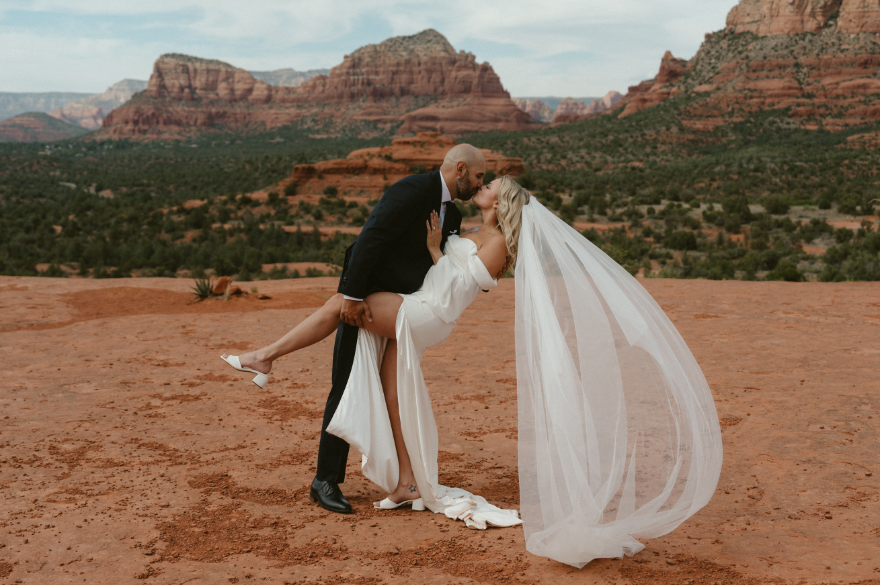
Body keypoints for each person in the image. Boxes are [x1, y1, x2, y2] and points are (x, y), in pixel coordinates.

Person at [224, 172, 724, 568]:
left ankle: (265, 355)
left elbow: (466, 284)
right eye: (483, 181)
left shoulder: (500, 242)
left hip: (425, 314)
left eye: (492, 186)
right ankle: (406, 483)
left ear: (502, 204)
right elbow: (454, 273)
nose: (484, 187)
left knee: (341, 303)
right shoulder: (478, 230)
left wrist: (438, 250)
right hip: (423, 308)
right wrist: (444, 246)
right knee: (393, 389)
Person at [223, 143, 487, 514]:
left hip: (400, 306)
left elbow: (437, 262)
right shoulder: (412, 190)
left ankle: (403, 479)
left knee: (383, 388)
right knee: (345, 382)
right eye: (478, 176)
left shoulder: (452, 213)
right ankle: (324, 481)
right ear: (460, 169)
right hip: (365, 299)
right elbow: (372, 236)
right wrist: (350, 293)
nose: (479, 184)